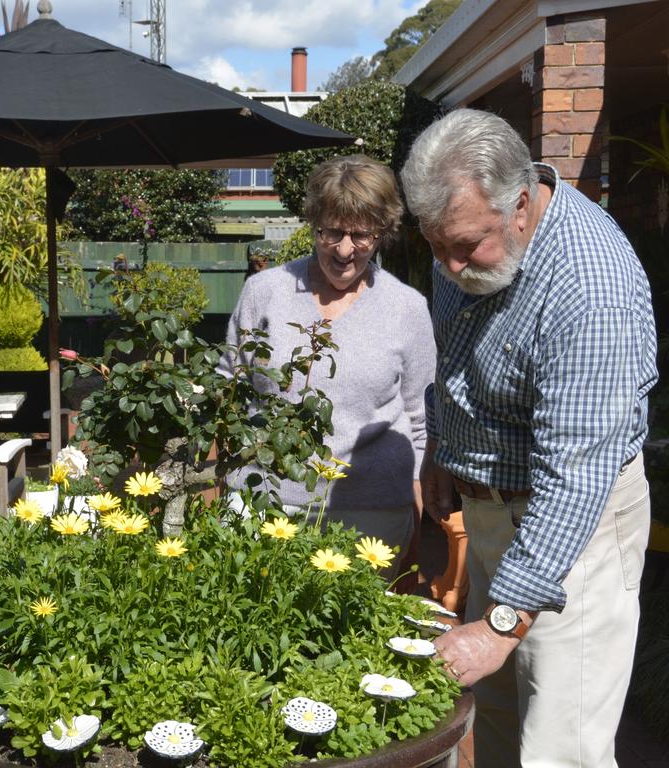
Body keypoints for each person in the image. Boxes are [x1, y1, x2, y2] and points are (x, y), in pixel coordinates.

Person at [400, 108, 657, 768]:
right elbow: (456, 354)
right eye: (435, 246)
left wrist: (505, 621)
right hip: (493, 512)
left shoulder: (588, 285)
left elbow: (574, 478)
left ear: (521, 204)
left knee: (559, 748)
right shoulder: (468, 232)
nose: (451, 266)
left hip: (577, 528)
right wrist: (439, 447)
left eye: (465, 246)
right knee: (501, 729)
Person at [221, 154, 436, 573]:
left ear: (383, 233)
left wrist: (418, 510)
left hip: (371, 511)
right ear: (313, 225)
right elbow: (229, 385)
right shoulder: (264, 292)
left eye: (361, 236)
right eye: (331, 232)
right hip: (263, 497)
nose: (343, 249)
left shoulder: (406, 308)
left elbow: (421, 417)